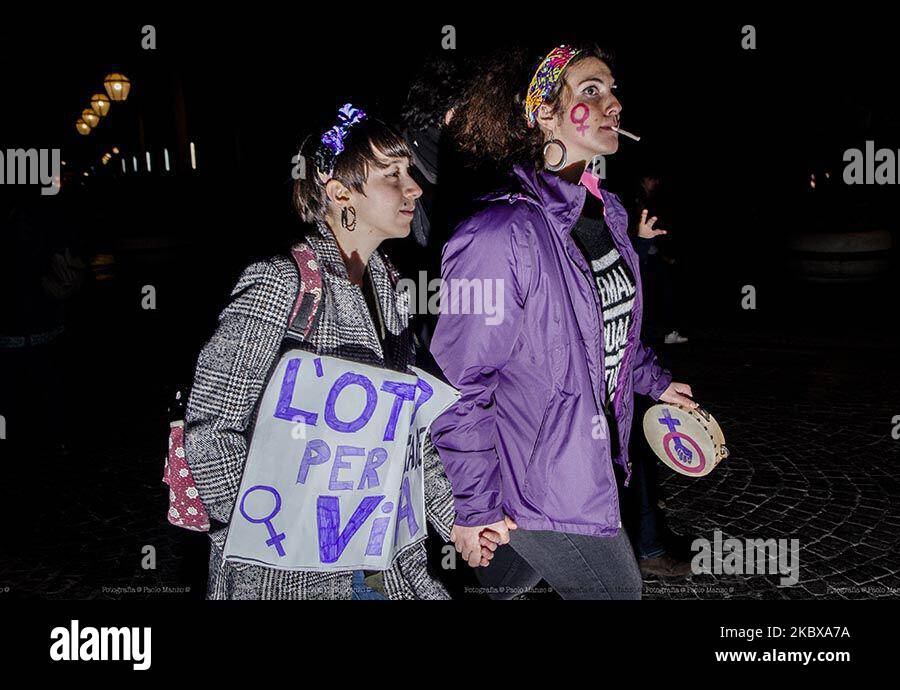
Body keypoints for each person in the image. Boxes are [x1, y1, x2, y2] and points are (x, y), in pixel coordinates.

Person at [183, 104, 496, 599]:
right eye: (392, 175)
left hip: (383, 564)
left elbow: (406, 437)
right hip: (296, 577)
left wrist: (458, 520)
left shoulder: (389, 286)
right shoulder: (282, 283)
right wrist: (262, 537)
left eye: (409, 171)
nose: (413, 187)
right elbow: (211, 430)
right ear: (340, 192)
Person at [429, 43, 697, 599]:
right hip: (536, 483)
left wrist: (653, 380)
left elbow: (602, 330)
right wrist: (477, 506)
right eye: (592, 92)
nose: (614, 104)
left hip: (589, 460)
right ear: (544, 114)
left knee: (505, 584)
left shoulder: (606, 213)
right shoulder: (499, 234)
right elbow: (458, 385)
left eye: (613, 90)